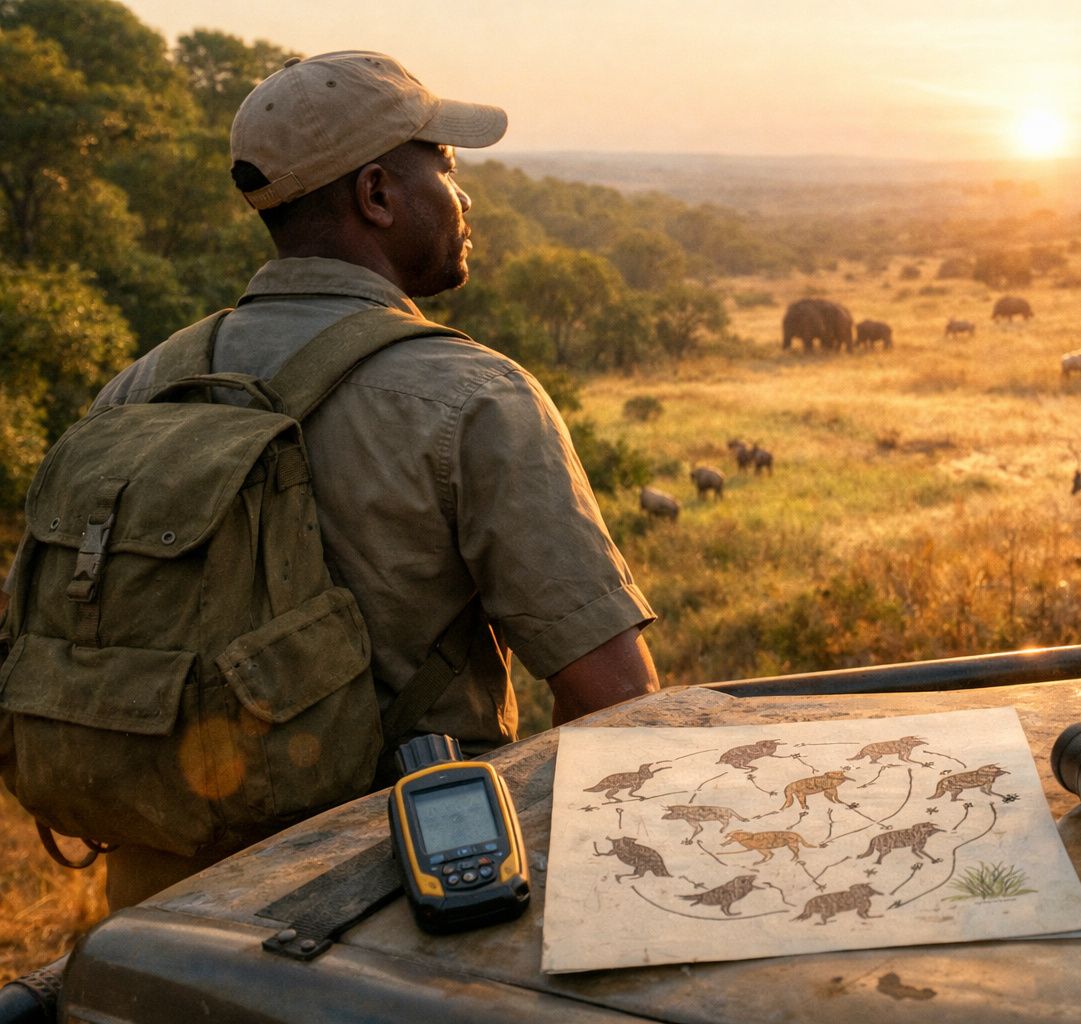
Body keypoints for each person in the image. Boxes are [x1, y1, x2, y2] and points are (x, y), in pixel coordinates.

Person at [49, 50, 661, 907]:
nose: (465, 196)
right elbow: (617, 707)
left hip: (162, 920)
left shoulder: (138, 385)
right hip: (403, 916)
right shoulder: (474, 397)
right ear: (377, 195)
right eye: (444, 167)